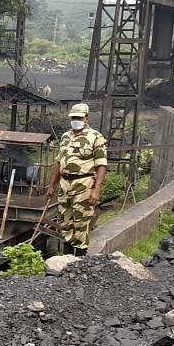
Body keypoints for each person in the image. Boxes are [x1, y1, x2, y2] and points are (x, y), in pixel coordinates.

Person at [48, 102, 108, 256]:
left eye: (79, 117)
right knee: (65, 222)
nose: (76, 120)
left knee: (80, 223)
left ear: (86, 118)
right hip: (65, 184)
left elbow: (101, 165)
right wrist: (52, 185)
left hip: (84, 183)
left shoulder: (95, 137)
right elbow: (59, 162)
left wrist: (96, 190)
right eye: (74, 117)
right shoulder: (65, 136)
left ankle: (80, 260)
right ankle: (66, 258)